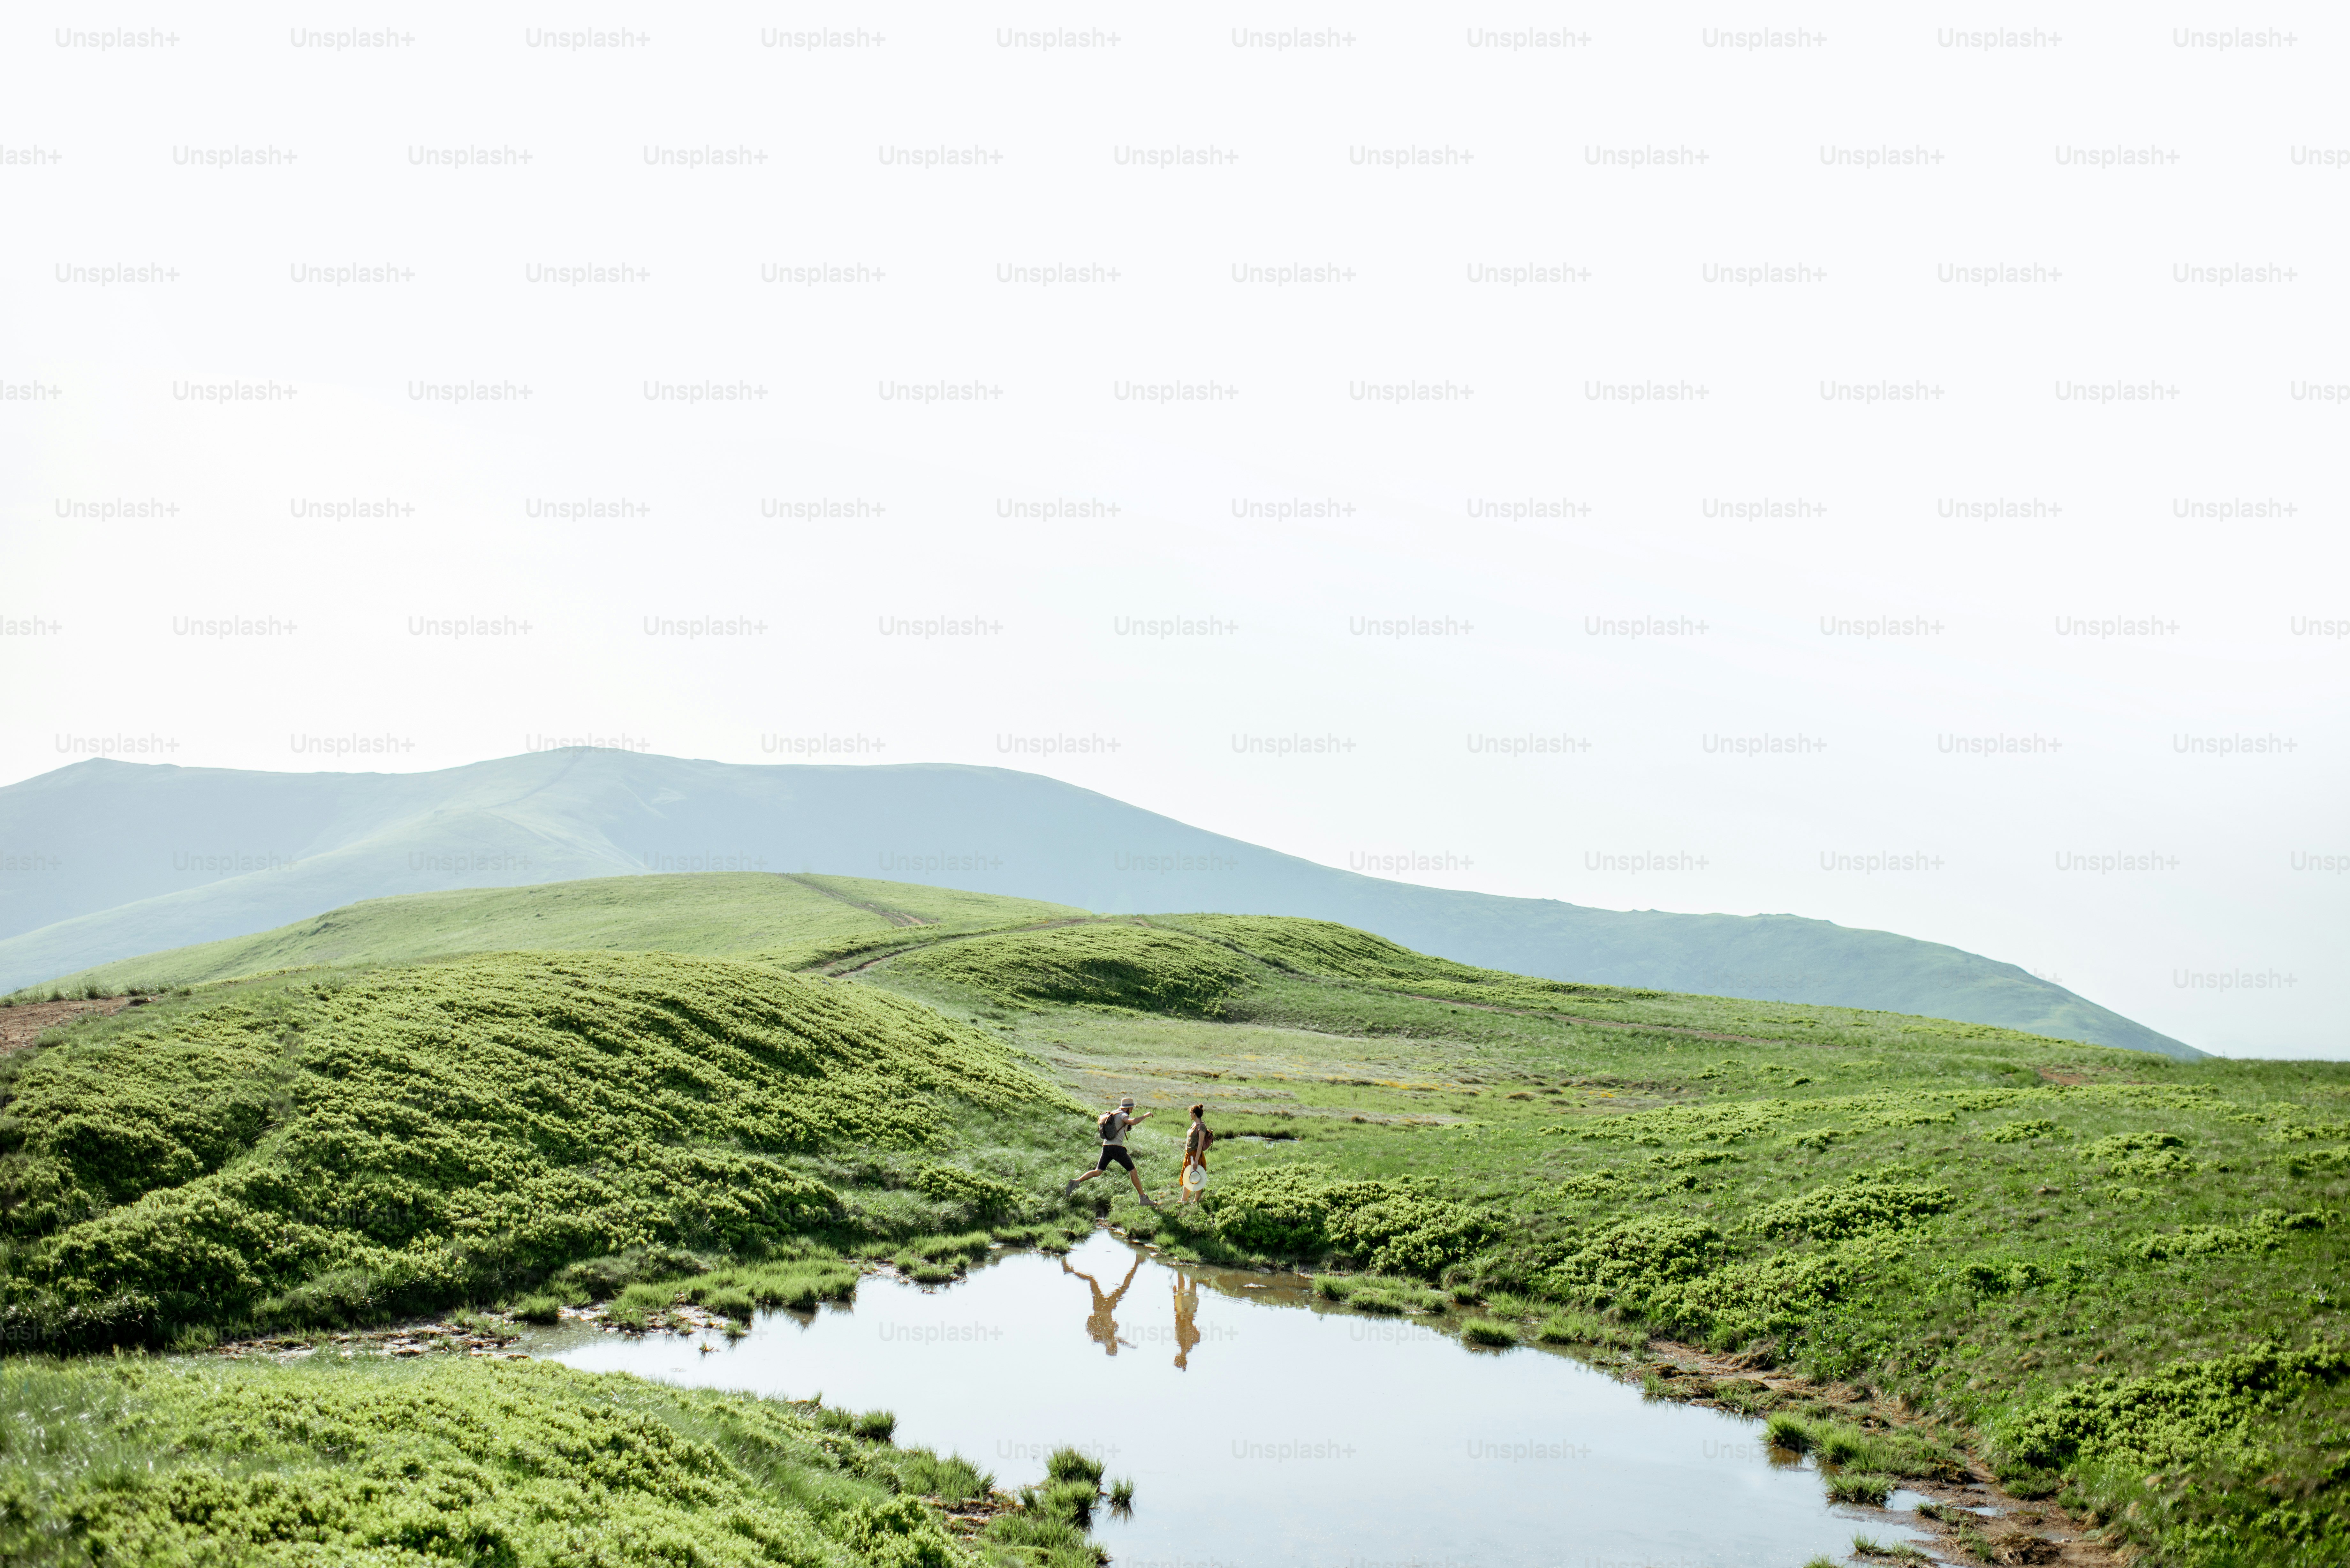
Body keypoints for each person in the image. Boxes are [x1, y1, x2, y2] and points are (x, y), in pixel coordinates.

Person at [1064, 1095, 1157, 1205]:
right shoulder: (1123, 1115)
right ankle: (1143, 1199)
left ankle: (1076, 1181)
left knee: (1098, 1172)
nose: (1132, 1110)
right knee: (1133, 1171)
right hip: (1116, 1148)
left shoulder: (1114, 1113)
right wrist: (1145, 1116)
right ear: (1126, 1108)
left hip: (1106, 1147)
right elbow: (1132, 1122)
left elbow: (1124, 1127)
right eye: (1131, 1108)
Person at [1177, 1103, 1213, 1205]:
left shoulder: (1201, 1128)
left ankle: (1196, 1201)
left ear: (1193, 1114)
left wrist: (1197, 1160)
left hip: (1196, 1156)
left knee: (1197, 1177)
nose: (1189, 1115)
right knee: (1187, 1176)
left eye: (1190, 1113)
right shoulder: (1194, 1125)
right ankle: (1184, 1200)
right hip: (1189, 1155)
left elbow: (1200, 1145)